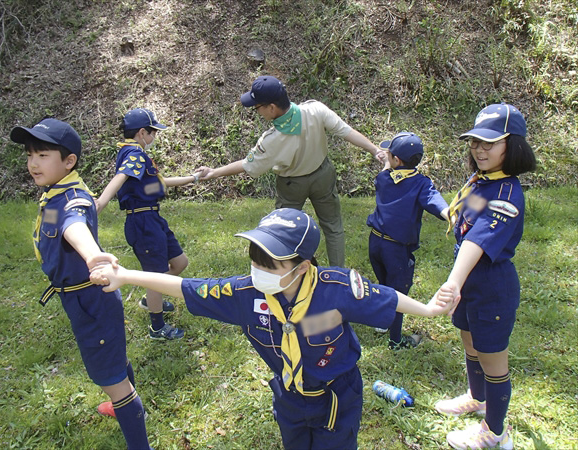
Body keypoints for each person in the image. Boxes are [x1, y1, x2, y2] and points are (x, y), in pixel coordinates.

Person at [90, 208, 458, 450]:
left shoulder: (337, 290)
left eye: (272, 263)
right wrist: (125, 276)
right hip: (289, 394)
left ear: (303, 266)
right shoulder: (245, 294)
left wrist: (427, 310)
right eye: (256, 258)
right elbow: (188, 289)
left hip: (337, 396)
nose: (259, 269)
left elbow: (387, 298)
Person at [10, 118, 151, 449]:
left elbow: (75, 226)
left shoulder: (72, 199)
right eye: (30, 154)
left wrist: (93, 257)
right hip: (80, 299)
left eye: (43, 155)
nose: (33, 163)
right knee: (112, 355)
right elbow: (59, 226)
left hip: (90, 300)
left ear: (68, 161)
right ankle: (123, 405)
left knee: (111, 377)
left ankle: (133, 427)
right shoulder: (55, 194)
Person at [434, 103, 537, 449]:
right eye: (475, 141)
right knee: (470, 342)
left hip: (491, 285)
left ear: (514, 146)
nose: (479, 149)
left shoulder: (507, 194)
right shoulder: (481, 182)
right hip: (470, 283)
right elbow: (467, 219)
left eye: (489, 143)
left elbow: (477, 242)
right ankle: (477, 400)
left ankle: (496, 433)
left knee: (493, 359)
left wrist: (452, 282)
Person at [197, 75, 382, 267]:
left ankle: (293, 271)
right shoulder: (315, 110)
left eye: (257, 107)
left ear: (271, 107)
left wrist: (214, 172)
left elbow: (247, 165)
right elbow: (346, 131)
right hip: (323, 176)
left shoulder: (271, 140)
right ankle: (338, 276)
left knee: (283, 230)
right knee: (333, 227)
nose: (256, 112)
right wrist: (375, 149)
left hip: (292, 185)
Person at [97, 108, 199, 341]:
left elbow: (160, 185)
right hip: (142, 222)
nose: (154, 138)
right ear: (142, 132)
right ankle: (157, 327)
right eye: (153, 132)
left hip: (153, 218)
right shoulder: (134, 154)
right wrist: (101, 202)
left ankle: (151, 297)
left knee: (180, 262)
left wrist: (193, 178)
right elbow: (120, 178)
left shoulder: (136, 155)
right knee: (156, 274)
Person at [367, 132, 449, 349]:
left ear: (396, 160)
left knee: (384, 284)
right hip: (396, 250)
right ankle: (395, 341)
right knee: (398, 294)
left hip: (375, 243)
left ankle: (381, 321)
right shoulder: (421, 183)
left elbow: (385, 175)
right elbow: (434, 200)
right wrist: (450, 213)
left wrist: (386, 163)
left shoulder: (384, 178)